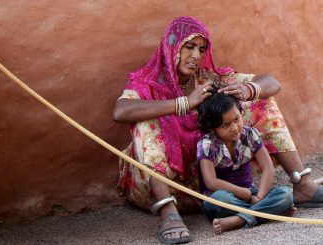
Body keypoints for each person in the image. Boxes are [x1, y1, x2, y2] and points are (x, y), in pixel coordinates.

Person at [113, 16, 323, 244]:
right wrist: (184, 103)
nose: (196, 56)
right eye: (189, 46)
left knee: (260, 99)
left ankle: (302, 185)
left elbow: (272, 83)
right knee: (148, 121)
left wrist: (248, 89)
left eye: (202, 49)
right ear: (172, 45)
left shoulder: (208, 79)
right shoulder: (147, 83)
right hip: (163, 188)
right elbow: (121, 111)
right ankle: (169, 215)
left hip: (215, 188)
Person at [197, 92, 293, 234]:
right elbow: (211, 182)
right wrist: (245, 194)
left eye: (237, 119)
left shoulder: (249, 135)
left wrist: (259, 197)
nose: (234, 128)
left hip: (252, 195)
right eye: (225, 125)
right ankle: (269, 211)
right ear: (212, 127)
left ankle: (238, 220)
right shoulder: (206, 144)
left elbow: (268, 168)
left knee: (285, 194)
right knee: (220, 200)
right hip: (224, 198)